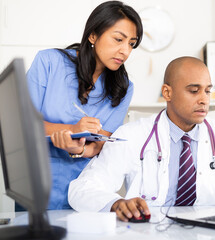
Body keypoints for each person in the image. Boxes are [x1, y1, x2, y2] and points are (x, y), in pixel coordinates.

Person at [68, 57, 215, 221]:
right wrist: (116, 204)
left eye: (207, 90)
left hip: (213, 232)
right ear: (167, 92)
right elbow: (82, 189)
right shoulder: (131, 135)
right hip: (152, 232)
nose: (204, 99)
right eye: (194, 91)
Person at [26, 1, 143, 210]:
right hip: (37, 183)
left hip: (85, 189)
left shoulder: (123, 88)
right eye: (118, 39)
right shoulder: (49, 62)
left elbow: (100, 145)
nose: (125, 51)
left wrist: (79, 149)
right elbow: (22, 124)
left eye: (131, 44)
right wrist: (71, 130)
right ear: (93, 35)